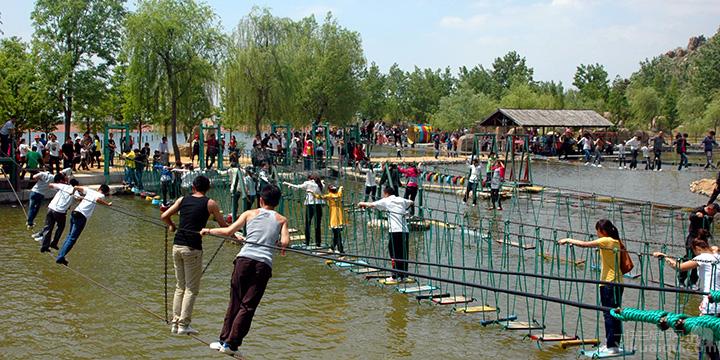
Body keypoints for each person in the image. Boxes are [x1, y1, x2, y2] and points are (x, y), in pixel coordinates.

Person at [204, 185, 289, 355]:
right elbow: (285, 242)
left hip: (243, 260)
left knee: (235, 301)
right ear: (277, 203)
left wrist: (208, 230)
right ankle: (231, 345)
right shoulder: (281, 219)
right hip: (263, 265)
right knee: (248, 306)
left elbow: (228, 231)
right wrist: (279, 245)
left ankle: (223, 340)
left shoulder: (249, 213)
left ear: (261, 200)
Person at [160, 175, 228, 335]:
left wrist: (172, 226)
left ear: (193, 188)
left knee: (180, 286)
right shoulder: (210, 203)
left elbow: (164, 216)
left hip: (177, 246)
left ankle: (175, 323)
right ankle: (184, 325)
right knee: (191, 289)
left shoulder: (182, 199)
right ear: (208, 188)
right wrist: (235, 233)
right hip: (192, 249)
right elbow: (223, 225)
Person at [559, 219, 626, 355]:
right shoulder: (616, 242)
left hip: (608, 283)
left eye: (597, 231)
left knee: (608, 314)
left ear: (602, 231)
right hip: (619, 282)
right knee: (616, 314)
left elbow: (584, 245)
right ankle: (614, 345)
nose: (597, 234)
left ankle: (611, 347)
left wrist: (567, 239)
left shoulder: (605, 240)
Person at [652, 230, 720, 359]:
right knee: (713, 339)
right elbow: (715, 250)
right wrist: (714, 249)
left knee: (706, 342)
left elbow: (680, 266)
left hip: (710, 305)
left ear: (697, 248)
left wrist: (664, 256)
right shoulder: (717, 256)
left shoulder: (703, 257)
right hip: (718, 300)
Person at [357, 186, 414, 281]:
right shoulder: (401, 200)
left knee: (393, 253)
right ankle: (404, 276)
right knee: (403, 253)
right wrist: (405, 210)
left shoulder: (386, 200)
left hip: (395, 231)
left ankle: (395, 276)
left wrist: (361, 203)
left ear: (386, 193)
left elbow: (371, 204)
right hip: (405, 231)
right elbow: (411, 202)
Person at [55, 184, 112, 266]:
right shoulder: (101, 195)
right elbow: (97, 199)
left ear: (99, 188)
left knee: (69, 236)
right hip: (81, 216)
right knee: (72, 239)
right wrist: (107, 204)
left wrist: (72, 193)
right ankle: (60, 257)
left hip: (74, 212)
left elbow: (75, 187)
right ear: (105, 192)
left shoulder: (89, 190)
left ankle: (61, 255)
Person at [680, 203, 720, 288]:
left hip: (703, 240)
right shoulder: (699, 210)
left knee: (701, 260)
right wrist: (697, 215)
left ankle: (692, 282)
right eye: (714, 212)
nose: (714, 214)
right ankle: (681, 280)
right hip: (693, 239)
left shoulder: (710, 215)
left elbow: (707, 224)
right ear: (710, 209)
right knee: (689, 258)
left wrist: (709, 219)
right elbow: (691, 217)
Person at [284, 174, 325, 247]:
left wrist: (288, 184)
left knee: (308, 224)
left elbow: (298, 187)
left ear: (310, 178)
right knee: (317, 225)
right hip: (319, 205)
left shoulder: (308, 183)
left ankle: (307, 241)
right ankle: (318, 243)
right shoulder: (321, 184)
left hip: (310, 205)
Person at [38, 178, 78, 252]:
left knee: (48, 227)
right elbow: (79, 198)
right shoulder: (75, 191)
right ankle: (54, 243)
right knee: (60, 227)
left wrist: (58, 187)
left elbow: (50, 185)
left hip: (50, 208)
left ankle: (44, 246)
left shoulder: (63, 186)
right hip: (59, 212)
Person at [313, 185, 345, 253]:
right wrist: (341, 187)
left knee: (337, 235)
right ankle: (332, 248)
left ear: (329, 190)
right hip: (340, 218)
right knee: (337, 234)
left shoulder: (329, 196)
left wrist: (312, 193)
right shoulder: (339, 195)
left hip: (334, 218)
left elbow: (319, 197)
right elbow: (340, 189)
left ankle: (341, 251)